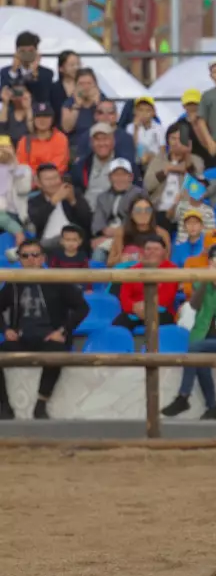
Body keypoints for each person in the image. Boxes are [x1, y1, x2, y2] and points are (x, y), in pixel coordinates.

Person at [0, 239, 89, 419]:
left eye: (35, 255)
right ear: (20, 260)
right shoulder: (14, 283)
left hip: (50, 338)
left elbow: (82, 308)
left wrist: (63, 331)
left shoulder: (57, 280)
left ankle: (41, 402)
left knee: (57, 353)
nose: (31, 259)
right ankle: (4, 406)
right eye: (25, 255)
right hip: (22, 339)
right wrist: (5, 329)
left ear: (43, 258)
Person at [161, 244, 216, 421]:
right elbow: (194, 305)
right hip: (205, 338)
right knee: (200, 360)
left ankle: (184, 396)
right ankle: (212, 409)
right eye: (214, 264)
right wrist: (207, 280)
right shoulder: (202, 282)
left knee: (195, 349)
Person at [145, 121, 205, 228]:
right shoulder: (158, 159)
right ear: (168, 140)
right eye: (173, 138)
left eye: (181, 139)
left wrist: (186, 159)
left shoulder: (196, 161)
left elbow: (198, 192)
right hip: (158, 211)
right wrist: (166, 170)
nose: (176, 143)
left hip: (185, 212)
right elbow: (147, 185)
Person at [113, 237, 178, 329]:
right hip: (134, 311)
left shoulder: (172, 269)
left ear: (164, 251)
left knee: (163, 323)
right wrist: (134, 307)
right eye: (148, 249)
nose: (152, 252)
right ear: (143, 251)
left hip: (160, 310)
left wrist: (146, 307)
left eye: (156, 249)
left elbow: (167, 298)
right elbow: (124, 297)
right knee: (117, 326)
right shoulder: (133, 270)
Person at [27, 164, 90, 248]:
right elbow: (36, 222)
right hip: (46, 244)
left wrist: (73, 201)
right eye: (48, 179)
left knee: (68, 237)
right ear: (38, 183)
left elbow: (87, 220)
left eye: (56, 178)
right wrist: (54, 201)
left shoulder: (73, 193)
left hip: (73, 243)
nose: (53, 183)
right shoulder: (33, 202)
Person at [89, 158, 144, 244]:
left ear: (131, 177)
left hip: (131, 237)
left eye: (123, 175)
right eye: (116, 175)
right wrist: (104, 231)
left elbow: (141, 222)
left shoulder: (139, 195)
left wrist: (118, 233)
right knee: (97, 249)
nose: (120, 179)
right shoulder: (102, 197)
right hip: (107, 236)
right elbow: (98, 222)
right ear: (110, 178)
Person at [105, 194, 171, 265]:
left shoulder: (162, 233)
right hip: (127, 273)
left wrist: (147, 261)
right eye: (138, 210)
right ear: (131, 214)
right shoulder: (121, 232)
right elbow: (110, 262)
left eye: (148, 210)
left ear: (152, 213)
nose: (143, 213)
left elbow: (167, 262)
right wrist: (121, 259)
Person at [70, 123, 121, 209]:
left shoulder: (124, 164)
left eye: (105, 139)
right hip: (87, 213)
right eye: (97, 139)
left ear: (113, 141)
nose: (101, 143)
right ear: (91, 143)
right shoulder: (81, 165)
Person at [2, 32, 55, 105]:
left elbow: (42, 97)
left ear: (36, 52)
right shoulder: (6, 72)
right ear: (17, 52)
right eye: (23, 51)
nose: (27, 54)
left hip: (38, 113)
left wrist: (34, 72)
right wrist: (13, 71)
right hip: (13, 114)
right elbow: (5, 95)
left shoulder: (47, 73)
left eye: (30, 51)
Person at [16, 102, 69, 174]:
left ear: (52, 119)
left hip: (53, 179)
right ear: (33, 119)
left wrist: (41, 177)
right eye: (38, 116)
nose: (42, 120)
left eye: (46, 116)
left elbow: (59, 165)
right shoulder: (24, 141)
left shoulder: (61, 138)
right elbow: (22, 165)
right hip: (30, 181)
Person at [59, 67, 104, 149]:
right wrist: (77, 105)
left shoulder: (104, 102)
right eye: (81, 84)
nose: (85, 87)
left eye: (89, 83)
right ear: (75, 86)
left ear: (95, 85)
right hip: (75, 146)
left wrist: (97, 104)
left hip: (100, 145)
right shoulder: (69, 104)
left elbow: (107, 126)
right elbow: (67, 128)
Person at [0, 136, 32, 242]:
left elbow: (24, 189)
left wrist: (12, 161)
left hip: (18, 212)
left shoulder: (23, 169)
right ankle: (18, 233)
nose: (3, 151)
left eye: (6, 147)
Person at [126, 96, 166, 171]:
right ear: (135, 111)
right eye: (140, 110)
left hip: (154, 164)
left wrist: (151, 157)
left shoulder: (159, 128)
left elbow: (162, 152)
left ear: (154, 112)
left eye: (148, 110)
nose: (144, 114)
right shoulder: (130, 127)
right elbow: (131, 149)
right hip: (135, 164)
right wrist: (136, 129)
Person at [48, 50, 80, 121]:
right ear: (61, 68)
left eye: (78, 64)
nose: (76, 68)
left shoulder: (85, 86)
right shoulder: (53, 89)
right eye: (72, 65)